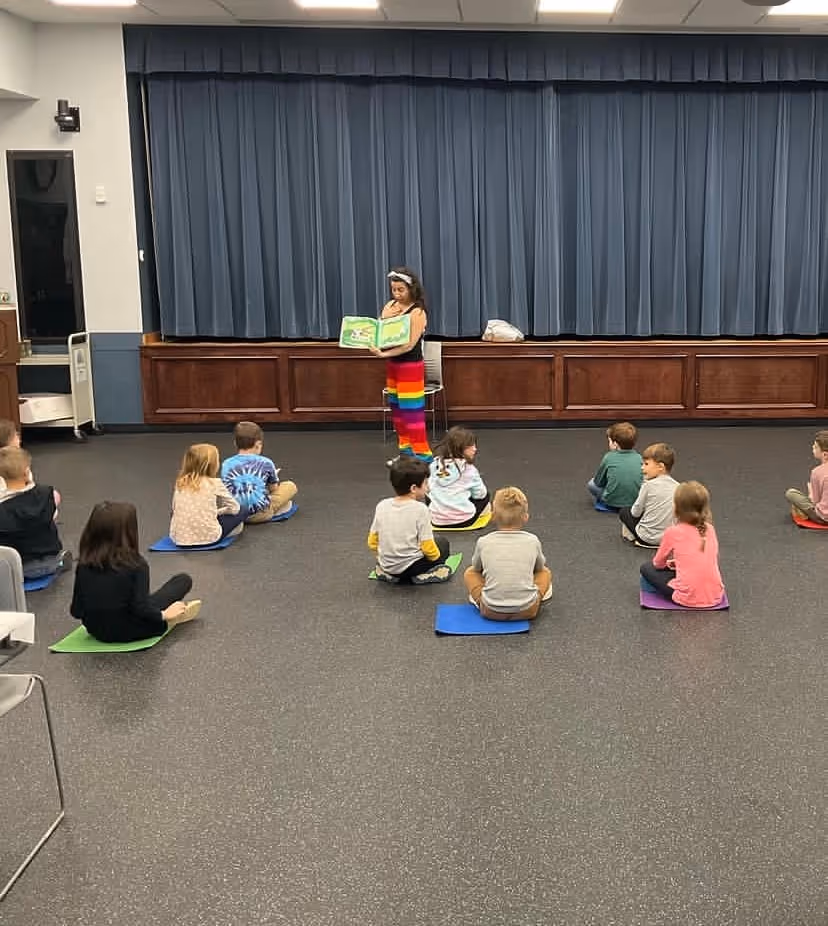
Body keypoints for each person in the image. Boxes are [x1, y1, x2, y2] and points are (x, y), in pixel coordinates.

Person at [71, 501, 200, 643]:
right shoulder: (136, 564)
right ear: (129, 532)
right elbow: (141, 608)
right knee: (183, 580)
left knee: (131, 602)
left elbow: (76, 611)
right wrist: (164, 615)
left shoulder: (83, 564)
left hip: (96, 631)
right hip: (133, 631)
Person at [370, 267, 432, 464]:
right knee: (397, 410)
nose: (396, 294)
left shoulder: (418, 312)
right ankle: (406, 453)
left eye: (401, 290)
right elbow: (381, 330)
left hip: (410, 367)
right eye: (393, 289)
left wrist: (383, 354)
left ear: (411, 289)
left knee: (411, 412)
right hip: (393, 365)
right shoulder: (390, 305)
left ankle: (423, 456)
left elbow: (408, 345)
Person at [464, 486, 552, 621]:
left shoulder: (483, 541)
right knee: (545, 572)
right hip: (529, 610)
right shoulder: (533, 540)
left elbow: (476, 568)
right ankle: (535, 596)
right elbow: (539, 568)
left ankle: (480, 599)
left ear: (492, 516)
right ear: (526, 517)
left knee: (469, 572)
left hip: (490, 610)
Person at [640, 481, 724, 608]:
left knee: (646, 567)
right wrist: (677, 562)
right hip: (715, 595)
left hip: (687, 598)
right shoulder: (710, 529)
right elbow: (705, 558)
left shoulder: (673, 532)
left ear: (676, 509)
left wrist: (671, 563)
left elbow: (658, 563)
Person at [368, 457, 451, 584]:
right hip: (411, 568)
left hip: (386, 564)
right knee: (443, 544)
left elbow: (372, 541)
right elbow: (428, 547)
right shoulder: (421, 509)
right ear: (413, 488)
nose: (428, 488)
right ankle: (425, 574)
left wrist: (383, 557)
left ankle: (386, 572)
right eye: (425, 483)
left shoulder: (382, 505)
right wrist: (436, 559)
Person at [0, 446, 69, 579]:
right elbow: (53, 516)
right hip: (49, 559)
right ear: (27, 472)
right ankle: (58, 562)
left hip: (15, 567)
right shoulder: (47, 493)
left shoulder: (3, 508)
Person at [221, 420, 298, 523]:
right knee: (289, 486)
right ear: (258, 444)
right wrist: (272, 478)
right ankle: (274, 510)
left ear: (235, 443)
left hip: (234, 514)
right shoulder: (266, 463)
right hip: (260, 514)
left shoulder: (226, 463)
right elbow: (273, 489)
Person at [170, 443, 245, 547]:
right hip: (209, 538)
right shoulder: (215, 483)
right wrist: (219, 512)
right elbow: (235, 508)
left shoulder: (180, 483)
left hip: (179, 539)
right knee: (243, 509)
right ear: (213, 465)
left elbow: (174, 509)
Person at [428, 426, 490, 529]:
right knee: (486, 495)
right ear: (459, 448)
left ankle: (440, 513)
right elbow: (480, 494)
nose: (475, 449)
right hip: (464, 520)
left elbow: (428, 489)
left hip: (436, 520)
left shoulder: (434, 465)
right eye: (470, 446)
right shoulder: (469, 470)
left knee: (434, 493)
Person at [618, 442, 678, 548]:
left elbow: (635, 513)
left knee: (624, 511)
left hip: (646, 538)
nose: (642, 468)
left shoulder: (648, 486)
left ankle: (633, 537)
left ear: (660, 467)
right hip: (669, 538)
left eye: (646, 464)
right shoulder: (678, 487)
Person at [0, 418, 60, 510]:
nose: (18, 436)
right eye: (15, 435)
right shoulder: (19, 461)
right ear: (8, 442)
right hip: (19, 502)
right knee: (52, 496)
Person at [587, 421, 642, 510]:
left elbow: (598, 482)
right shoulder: (639, 458)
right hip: (635, 502)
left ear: (615, 444)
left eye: (609, 441)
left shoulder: (608, 457)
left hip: (612, 502)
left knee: (591, 484)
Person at [785, 430, 828, 524]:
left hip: (823, 518)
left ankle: (804, 513)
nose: (812, 447)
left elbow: (815, 501)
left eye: (815, 447)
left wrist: (811, 492)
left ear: (825, 454)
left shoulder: (816, 472)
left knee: (791, 493)